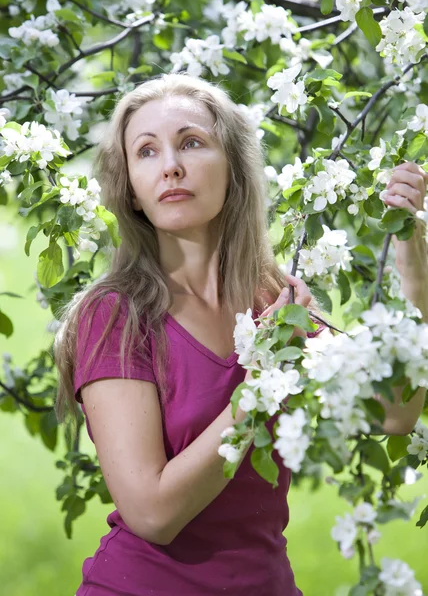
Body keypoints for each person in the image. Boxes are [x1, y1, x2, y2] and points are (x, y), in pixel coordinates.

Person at [53, 72, 427, 596]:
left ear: (233, 168)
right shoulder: (116, 316)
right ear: (132, 191)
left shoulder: (270, 299)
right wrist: (265, 374)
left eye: (191, 142)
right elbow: (152, 513)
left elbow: (394, 411)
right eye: (146, 152)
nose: (171, 166)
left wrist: (413, 264)